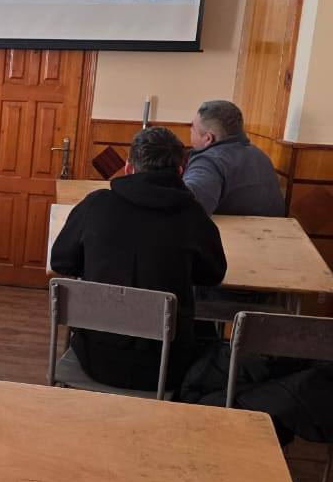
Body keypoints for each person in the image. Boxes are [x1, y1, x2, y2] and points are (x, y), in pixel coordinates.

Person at [50, 126, 227, 391]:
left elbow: (61, 262)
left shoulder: (95, 205)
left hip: (96, 358)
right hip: (166, 366)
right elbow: (213, 274)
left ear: (128, 168)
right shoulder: (192, 215)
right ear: (180, 171)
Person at [183, 99, 285, 216]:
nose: (190, 129)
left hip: (236, 228)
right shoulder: (260, 155)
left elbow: (186, 208)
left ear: (208, 138)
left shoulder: (209, 162)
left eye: (193, 126)